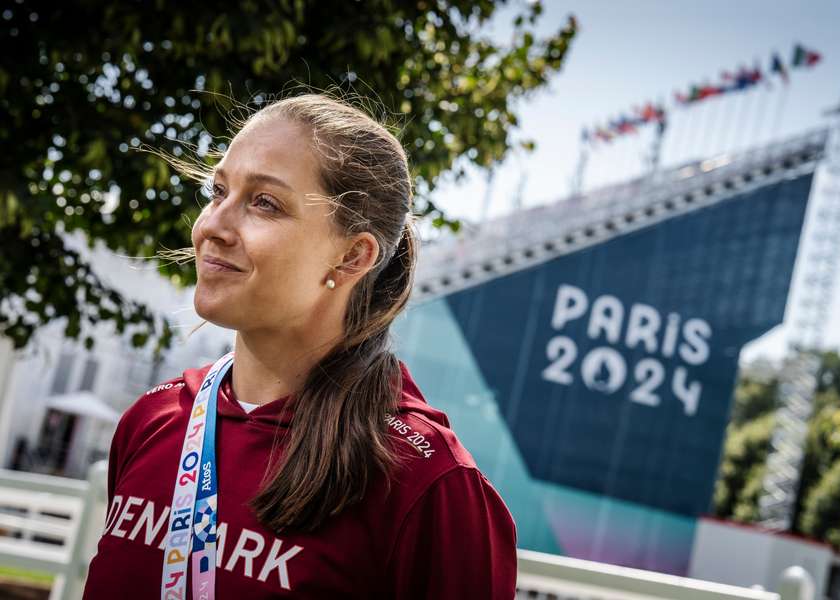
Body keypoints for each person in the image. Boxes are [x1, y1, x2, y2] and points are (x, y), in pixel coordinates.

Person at [82, 92, 518, 598]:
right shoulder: (154, 419)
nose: (212, 227)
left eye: (264, 203)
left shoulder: (425, 481)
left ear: (352, 256)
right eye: (217, 191)